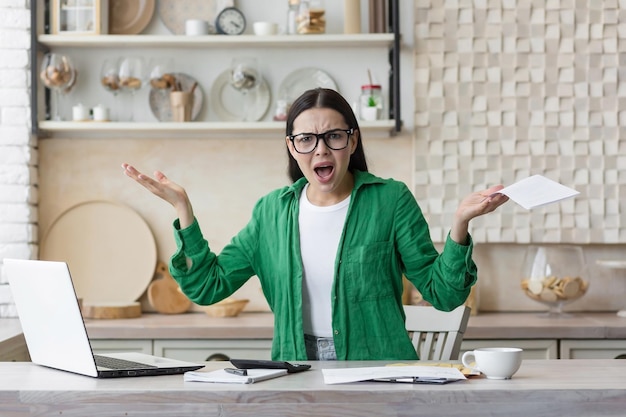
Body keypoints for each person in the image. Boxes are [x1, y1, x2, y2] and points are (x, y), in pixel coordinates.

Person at [122, 88, 508, 361]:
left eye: (333, 137)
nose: (320, 149)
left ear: (352, 142)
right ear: (292, 146)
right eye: (306, 139)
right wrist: (183, 209)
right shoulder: (270, 213)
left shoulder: (391, 201)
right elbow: (208, 287)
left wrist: (460, 225)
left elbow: (444, 294)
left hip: (377, 373)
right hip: (295, 372)